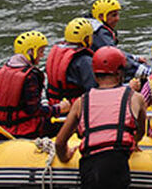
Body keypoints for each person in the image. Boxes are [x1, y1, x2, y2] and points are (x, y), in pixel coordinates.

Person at [55, 46, 147, 189]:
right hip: (117, 165)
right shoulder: (135, 98)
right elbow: (140, 132)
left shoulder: (81, 102)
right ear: (120, 72)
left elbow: (60, 142)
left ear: (94, 73)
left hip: (89, 168)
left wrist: (66, 156)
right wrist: (133, 142)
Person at [0, 31, 69, 139]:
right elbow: (35, 110)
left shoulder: (6, 68)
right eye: (40, 51)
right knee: (69, 125)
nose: (42, 55)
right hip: (22, 130)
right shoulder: (30, 76)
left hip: (1, 128)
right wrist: (59, 109)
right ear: (31, 51)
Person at [88, 0, 150, 81]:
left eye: (117, 14)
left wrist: (134, 58)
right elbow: (114, 55)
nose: (117, 19)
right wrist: (144, 71)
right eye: (113, 15)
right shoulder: (100, 34)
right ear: (101, 16)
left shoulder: (94, 28)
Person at [45, 18, 97, 105]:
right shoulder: (84, 60)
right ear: (86, 39)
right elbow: (94, 89)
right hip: (74, 106)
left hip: (54, 104)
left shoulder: (55, 53)